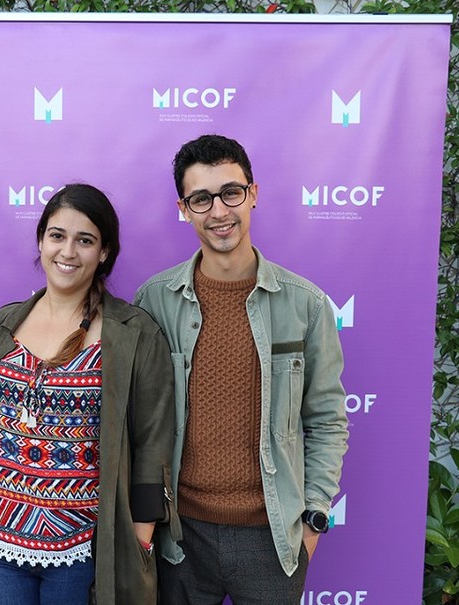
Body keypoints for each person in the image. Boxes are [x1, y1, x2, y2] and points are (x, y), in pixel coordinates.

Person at [0, 184, 176, 605]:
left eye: (85, 240)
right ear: (41, 241)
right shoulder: (1, 327)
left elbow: (152, 442)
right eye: (57, 236)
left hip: (84, 554)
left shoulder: (134, 334)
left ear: (104, 252)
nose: (68, 251)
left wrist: (139, 540)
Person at [134, 135, 349, 604]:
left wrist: (313, 517)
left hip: (272, 537)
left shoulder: (306, 305)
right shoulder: (154, 301)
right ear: (184, 209)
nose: (219, 211)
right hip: (180, 538)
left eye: (230, 193)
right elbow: (141, 420)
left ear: (253, 194)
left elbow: (327, 419)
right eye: (201, 199)